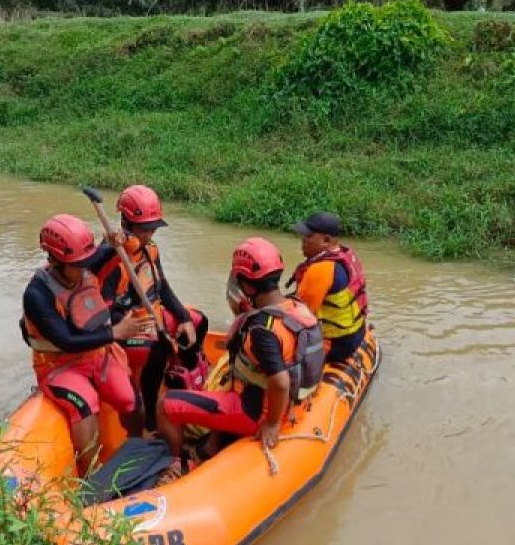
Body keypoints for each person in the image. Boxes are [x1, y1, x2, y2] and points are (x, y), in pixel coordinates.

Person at [155, 237, 324, 464]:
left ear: (248, 286)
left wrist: (272, 424)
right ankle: (210, 447)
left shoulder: (262, 329)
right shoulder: (296, 308)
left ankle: (175, 464)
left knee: (165, 404)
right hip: (282, 402)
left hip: (252, 411)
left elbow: (281, 382)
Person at [20, 214, 152, 476]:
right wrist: (114, 332)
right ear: (56, 261)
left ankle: (138, 443)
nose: (85, 269)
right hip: (60, 365)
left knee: (128, 397)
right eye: (78, 264)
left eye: (86, 262)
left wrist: (119, 240)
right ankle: (92, 475)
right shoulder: (37, 294)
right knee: (84, 403)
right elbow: (66, 341)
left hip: (96, 355)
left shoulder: (85, 265)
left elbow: (110, 249)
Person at [94, 185, 208, 429]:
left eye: (152, 227)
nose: (150, 233)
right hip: (127, 327)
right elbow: (103, 311)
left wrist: (184, 318)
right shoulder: (112, 257)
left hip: (153, 314)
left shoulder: (151, 249)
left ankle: (183, 380)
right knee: (157, 347)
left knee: (199, 321)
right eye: (145, 229)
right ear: (126, 223)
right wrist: (126, 324)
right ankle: (150, 418)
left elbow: (162, 287)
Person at [288, 211, 369, 364]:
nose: (303, 241)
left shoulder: (322, 269)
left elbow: (299, 318)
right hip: (354, 334)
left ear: (326, 240)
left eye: (308, 236)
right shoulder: (344, 255)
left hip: (335, 345)